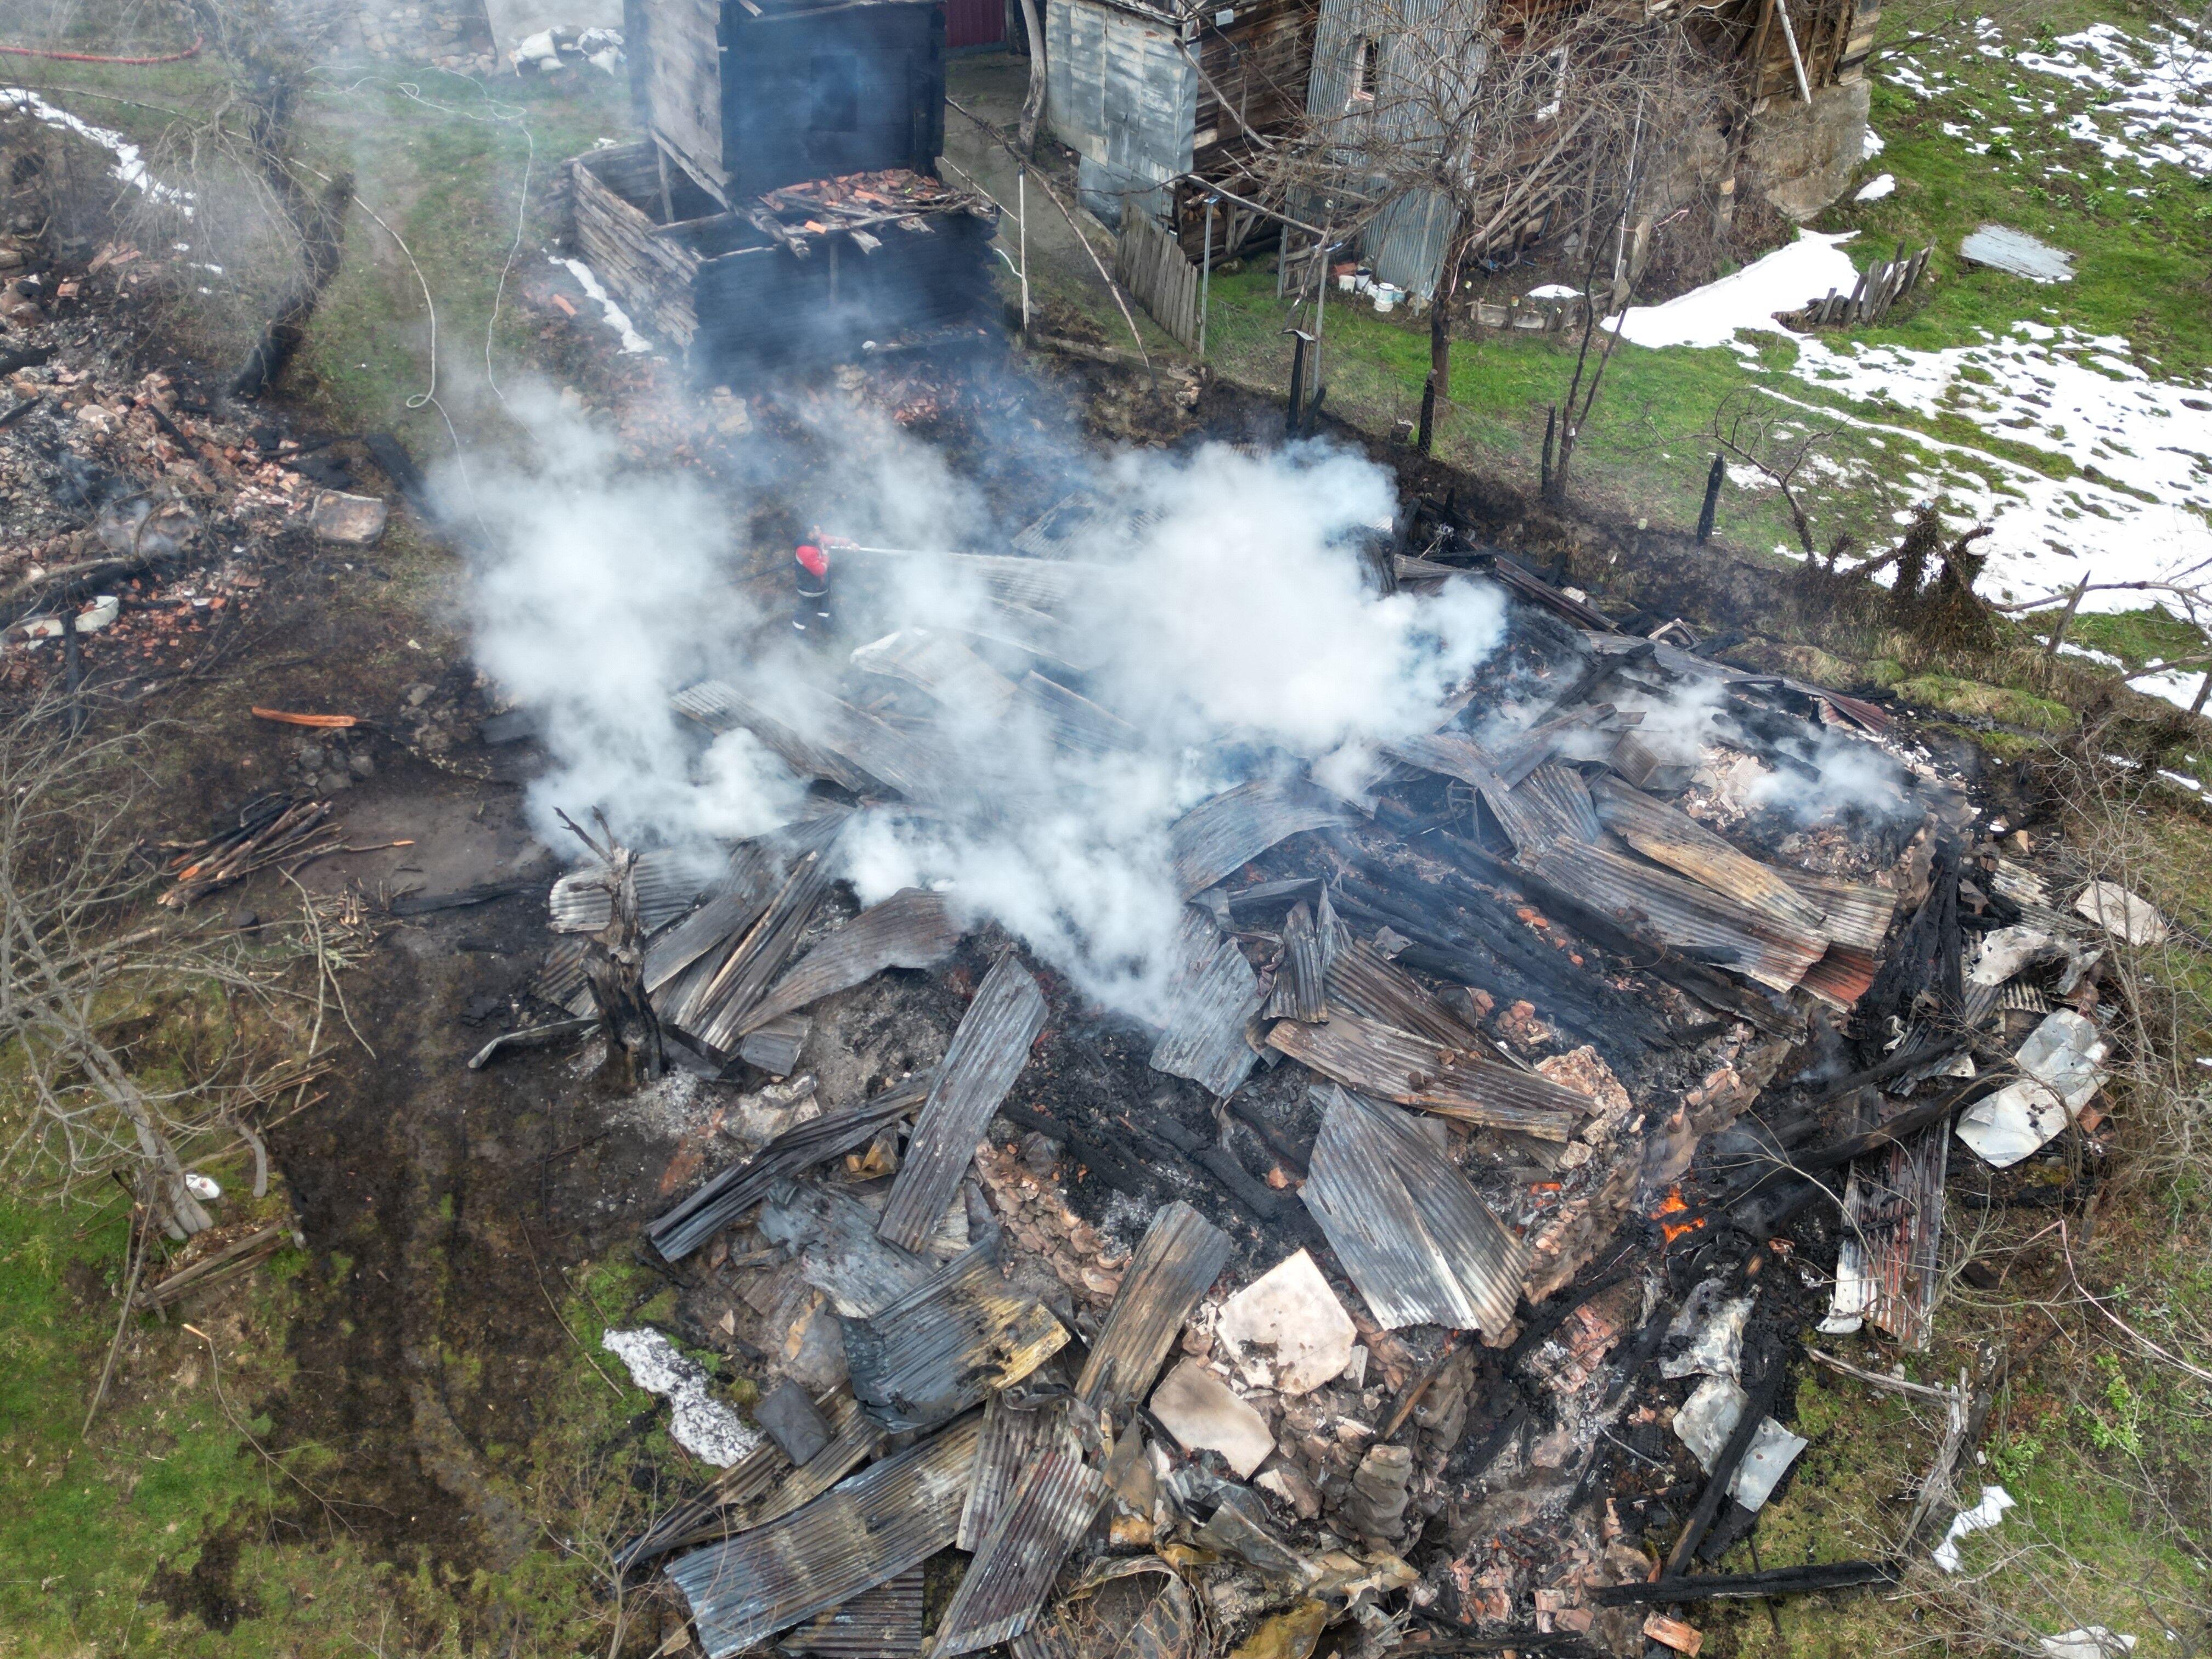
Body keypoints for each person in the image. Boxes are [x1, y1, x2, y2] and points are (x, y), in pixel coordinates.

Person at [793, 539, 831, 637]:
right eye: (817, 530)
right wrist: (825, 555)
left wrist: (849, 543)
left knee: (824, 610)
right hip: (809, 591)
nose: (820, 532)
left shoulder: (816, 539)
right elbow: (820, 570)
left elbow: (830, 539)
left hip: (822, 588)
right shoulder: (805, 551)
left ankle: (825, 631)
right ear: (811, 533)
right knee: (803, 613)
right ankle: (798, 637)